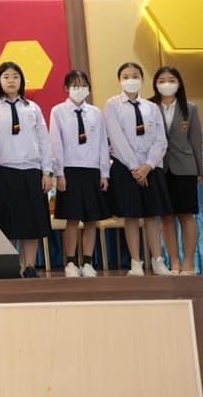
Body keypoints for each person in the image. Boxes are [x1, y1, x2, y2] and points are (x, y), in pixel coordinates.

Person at [0, 62, 53, 278]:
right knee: (7, 222)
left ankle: (29, 266)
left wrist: (47, 171)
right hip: (3, 171)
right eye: (6, 77)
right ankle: (11, 266)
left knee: (32, 223)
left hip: (31, 171)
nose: (11, 81)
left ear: (21, 81)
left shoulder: (33, 108)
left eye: (15, 76)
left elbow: (44, 140)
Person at [104, 62, 172, 276]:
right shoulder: (112, 105)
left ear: (142, 79)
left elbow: (160, 140)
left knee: (152, 216)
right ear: (119, 80)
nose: (130, 80)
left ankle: (158, 260)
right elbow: (116, 138)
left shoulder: (151, 107)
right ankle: (135, 262)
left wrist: (148, 165)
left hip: (150, 168)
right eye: (125, 76)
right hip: (126, 169)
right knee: (131, 216)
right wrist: (135, 167)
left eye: (135, 76)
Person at [49, 70, 109, 277]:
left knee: (92, 219)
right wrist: (59, 173)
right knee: (72, 219)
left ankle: (88, 262)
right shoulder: (58, 111)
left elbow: (102, 143)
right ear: (66, 88)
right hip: (70, 169)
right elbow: (55, 143)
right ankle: (70, 262)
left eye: (83, 85)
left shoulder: (96, 113)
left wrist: (104, 173)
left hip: (92, 170)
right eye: (75, 85)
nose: (79, 88)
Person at [151, 66, 201, 275]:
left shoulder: (190, 108)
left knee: (187, 215)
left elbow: (196, 142)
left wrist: (200, 170)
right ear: (155, 84)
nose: (167, 84)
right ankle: (174, 262)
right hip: (159, 168)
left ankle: (189, 262)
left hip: (185, 168)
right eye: (162, 80)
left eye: (171, 80)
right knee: (167, 217)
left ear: (179, 83)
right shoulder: (149, 107)